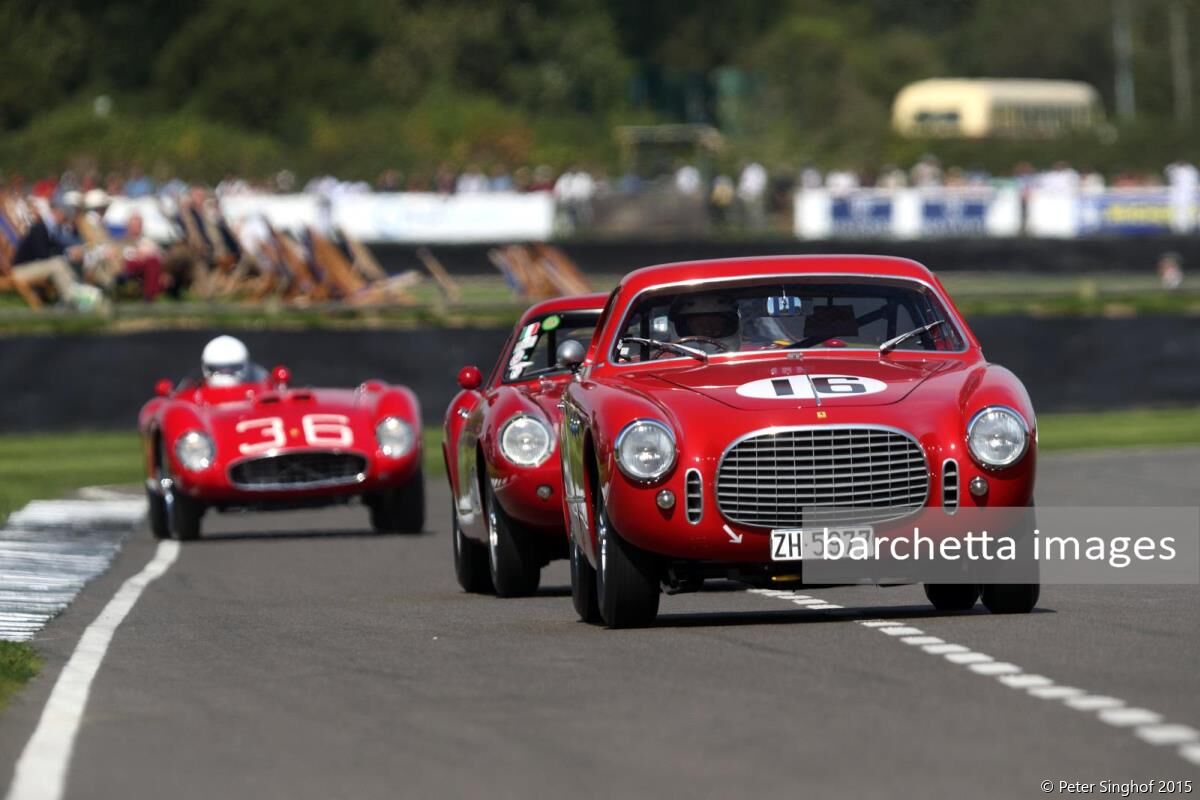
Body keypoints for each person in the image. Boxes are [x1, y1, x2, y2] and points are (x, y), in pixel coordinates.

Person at [669, 294, 742, 352]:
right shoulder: (665, 360)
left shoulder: (747, 355)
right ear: (686, 326)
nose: (708, 329)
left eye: (715, 323)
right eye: (700, 324)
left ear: (727, 325)